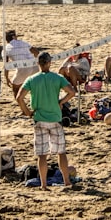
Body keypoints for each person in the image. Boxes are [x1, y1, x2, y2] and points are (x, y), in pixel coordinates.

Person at [15, 51, 75, 190]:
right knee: (61, 152)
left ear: (38, 63)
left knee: (42, 155)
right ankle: (66, 181)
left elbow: (19, 97)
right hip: (55, 117)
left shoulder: (32, 79)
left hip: (39, 118)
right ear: (49, 63)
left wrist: (27, 112)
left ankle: (43, 184)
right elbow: (71, 92)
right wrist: (61, 102)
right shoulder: (57, 78)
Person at [4, 30, 40, 98]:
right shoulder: (23, 43)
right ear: (14, 37)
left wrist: (6, 77)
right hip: (34, 66)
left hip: (24, 68)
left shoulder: (6, 49)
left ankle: (21, 105)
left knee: (15, 88)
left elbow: (6, 65)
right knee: (35, 87)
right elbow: (36, 52)